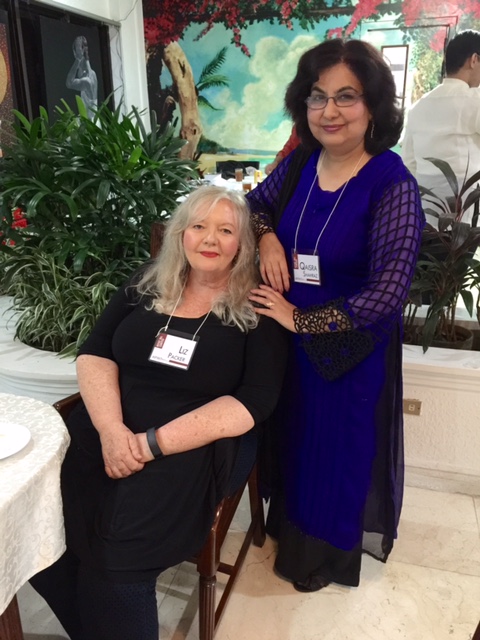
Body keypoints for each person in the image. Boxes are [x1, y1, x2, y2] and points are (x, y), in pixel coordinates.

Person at [29, 185, 287, 640]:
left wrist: (150, 445)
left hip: (192, 444)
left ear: (243, 243)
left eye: (226, 230)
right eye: (199, 226)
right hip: (108, 425)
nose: (210, 239)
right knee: (44, 539)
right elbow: (95, 352)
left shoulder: (258, 305)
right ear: (180, 234)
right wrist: (112, 430)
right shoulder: (147, 281)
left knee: (116, 558)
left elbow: (254, 401)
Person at [245, 38, 425, 592]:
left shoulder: (392, 182)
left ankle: (322, 559)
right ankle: (288, 529)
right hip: (285, 339)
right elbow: (254, 205)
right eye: (317, 96)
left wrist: (301, 321)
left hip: (349, 345)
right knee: (294, 440)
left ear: (373, 106)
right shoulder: (302, 162)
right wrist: (267, 237)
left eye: (346, 96)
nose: (329, 111)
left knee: (335, 453)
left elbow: (388, 293)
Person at [401, 29, 480, 223]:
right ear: (474, 60)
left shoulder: (418, 107)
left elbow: (409, 164)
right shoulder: (474, 101)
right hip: (465, 219)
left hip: (426, 215)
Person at [66, 35, 98, 119]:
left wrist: (78, 60)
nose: (76, 52)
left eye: (77, 49)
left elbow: (69, 83)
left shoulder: (87, 80)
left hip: (90, 123)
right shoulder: (91, 74)